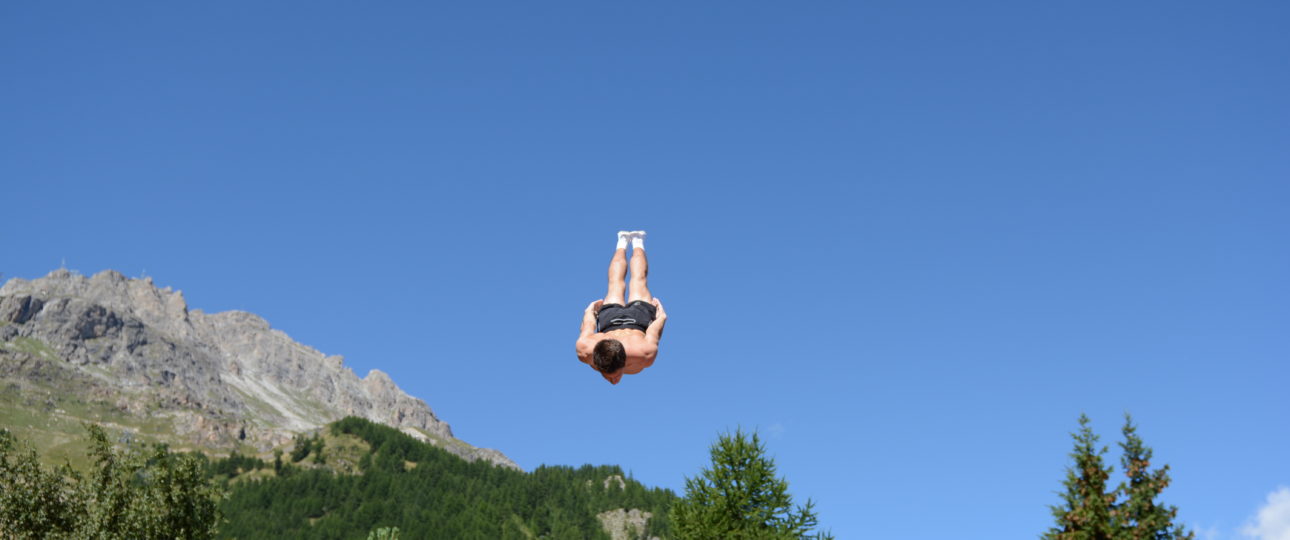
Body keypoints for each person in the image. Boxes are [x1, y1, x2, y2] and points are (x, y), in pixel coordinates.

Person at [576, 231, 667, 384]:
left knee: (618, 282)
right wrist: (660, 316)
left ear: (624, 362)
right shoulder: (584, 349)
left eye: (614, 375)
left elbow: (588, 322)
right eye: (607, 375)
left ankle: (628, 241)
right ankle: (631, 241)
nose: (613, 380)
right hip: (633, 320)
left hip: (618, 321)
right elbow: (588, 321)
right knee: (636, 280)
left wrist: (590, 311)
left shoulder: (644, 353)